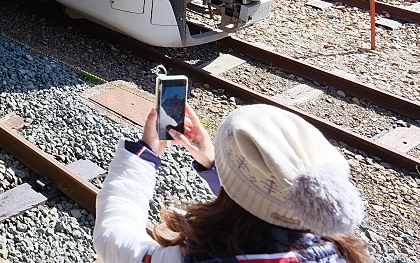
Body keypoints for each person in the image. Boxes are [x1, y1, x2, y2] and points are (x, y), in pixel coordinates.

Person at [93, 100, 369, 263]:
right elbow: (264, 204)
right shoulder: (338, 252)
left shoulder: (191, 259)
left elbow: (113, 233)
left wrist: (144, 155)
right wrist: (215, 166)